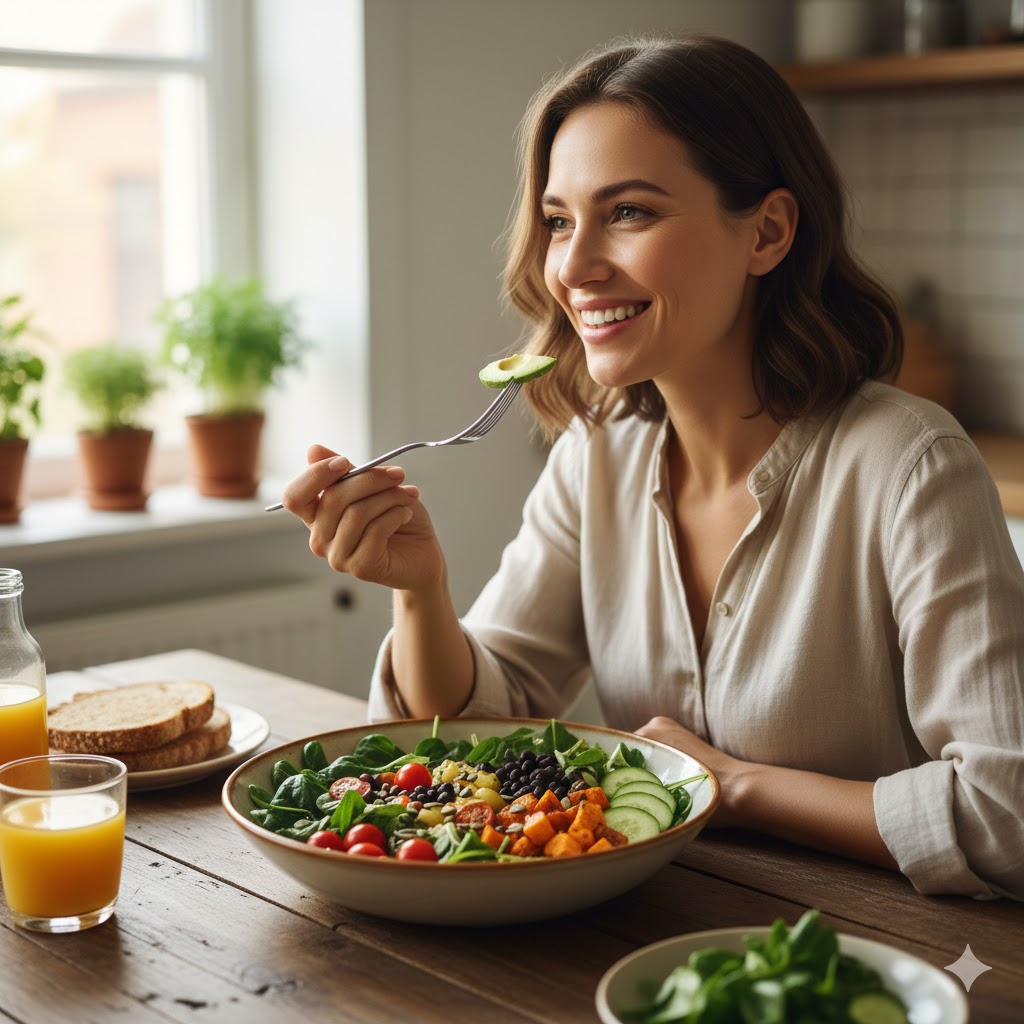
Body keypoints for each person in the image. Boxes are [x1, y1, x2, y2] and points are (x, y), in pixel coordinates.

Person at [281, 34, 1024, 900]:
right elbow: (484, 720)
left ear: (768, 232)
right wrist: (420, 590)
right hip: (657, 933)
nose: (574, 266)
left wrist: (730, 783)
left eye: (628, 212)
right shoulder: (595, 452)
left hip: (884, 956)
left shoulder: (912, 467)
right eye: (560, 220)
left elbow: (1006, 811)